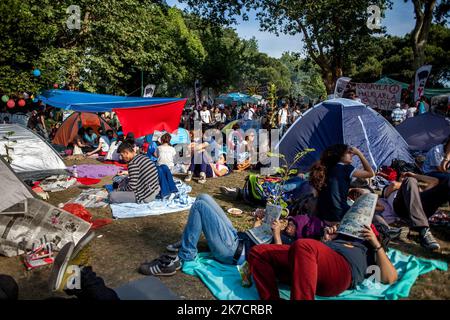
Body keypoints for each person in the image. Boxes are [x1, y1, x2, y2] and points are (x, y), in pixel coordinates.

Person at [138, 194, 305, 276]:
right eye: (289, 222)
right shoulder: (280, 230)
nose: (289, 226)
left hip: (233, 251)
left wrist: (277, 234)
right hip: (236, 237)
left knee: (200, 207)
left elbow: (278, 259)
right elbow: (255, 237)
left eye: (293, 226)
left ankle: (185, 256)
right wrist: (258, 220)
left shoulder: (291, 245)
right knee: (203, 197)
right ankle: (186, 240)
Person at [248, 223, 398, 300]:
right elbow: (311, 253)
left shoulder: (371, 250)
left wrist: (375, 244)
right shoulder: (341, 237)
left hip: (341, 272)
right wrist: (326, 241)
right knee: (259, 252)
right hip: (308, 267)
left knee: (304, 245)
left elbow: (390, 278)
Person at [374, 172, 445, 250]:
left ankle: (423, 228)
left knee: (444, 186)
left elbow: (435, 181)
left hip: (418, 209)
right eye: (403, 176)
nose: (405, 177)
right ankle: (423, 230)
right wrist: (408, 180)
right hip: (400, 207)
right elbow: (393, 185)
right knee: (410, 181)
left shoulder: (416, 190)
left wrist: (414, 175)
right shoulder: (392, 186)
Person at [309, 144, 375, 225]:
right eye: (349, 152)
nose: (352, 155)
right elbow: (370, 173)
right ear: (340, 156)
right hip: (340, 218)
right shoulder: (346, 168)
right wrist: (359, 153)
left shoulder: (324, 169)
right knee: (368, 202)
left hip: (325, 217)